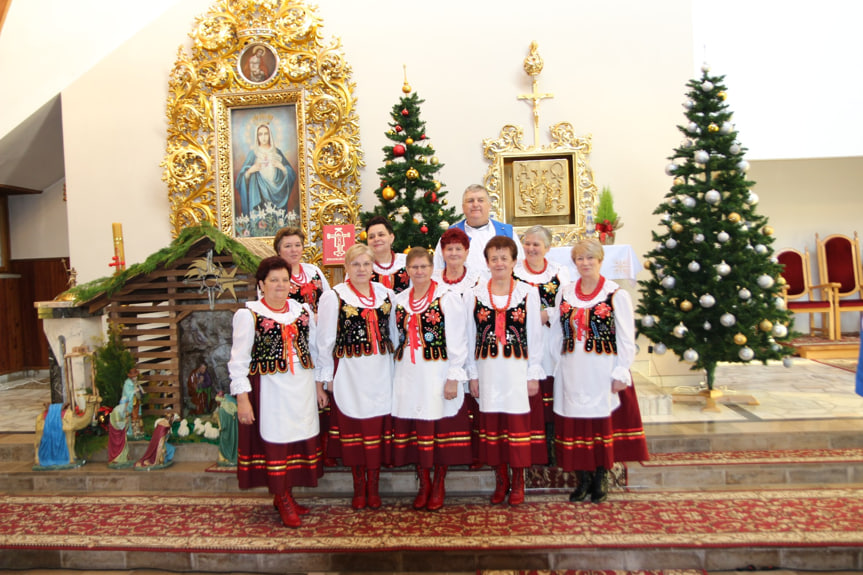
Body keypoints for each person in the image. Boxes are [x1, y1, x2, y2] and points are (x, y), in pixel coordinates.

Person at [227, 256, 326, 528]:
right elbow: (239, 361)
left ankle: (287, 494)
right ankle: (280, 497)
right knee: (277, 442)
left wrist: (319, 385)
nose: (280, 285)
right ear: (261, 284)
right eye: (274, 281)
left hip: (302, 387)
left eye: (285, 280)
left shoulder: (302, 310)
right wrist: (243, 399)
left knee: (297, 439)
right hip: (271, 389)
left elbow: (315, 349)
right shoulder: (249, 314)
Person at [549, 238, 648, 504]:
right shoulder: (566, 292)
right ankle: (582, 480)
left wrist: (621, 371)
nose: (585, 263)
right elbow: (557, 331)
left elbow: (627, 337)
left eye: (590, 258)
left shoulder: (616, 294)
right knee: (577, 423)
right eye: (580, 259)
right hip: (572, 366)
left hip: (601, 367)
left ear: (600, 261)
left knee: (598, 422)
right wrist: (557, 362)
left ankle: (601, 477)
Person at [464, 236, 547, 506]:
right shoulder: (474, 294)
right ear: (487, 262)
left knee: (516, 426)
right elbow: (469, 336)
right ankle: (501, 481)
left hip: (516, 370)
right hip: (488, 370)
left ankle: (519, 481)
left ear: (514, 261)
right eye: (494, 258)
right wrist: (472, 374)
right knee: (494, 427)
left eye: (504, 258)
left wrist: (533, 373)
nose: (499, 263)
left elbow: (535, 335)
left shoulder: (527, 293)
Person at [317, 243, 397, 510]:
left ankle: (373, 485)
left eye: (366, 264)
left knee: (375, 426)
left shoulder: (386, 294)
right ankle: (358, 485)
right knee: (354, 425)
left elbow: (395, 334)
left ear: (373, 266)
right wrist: (325, 377)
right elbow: (325, 340)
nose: (362, 269)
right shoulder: (334, 296)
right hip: (350, 371)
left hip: (381, 369)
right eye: (356, 264)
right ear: (346, 268)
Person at [391, 247, 472, 511]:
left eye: (423, 267)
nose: (418, 272)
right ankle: (423, 482)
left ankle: (439, 483)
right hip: (409, 373)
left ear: (431, 267)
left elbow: (458, 339)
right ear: (407, 270)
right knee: (417, 428)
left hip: (437, 372)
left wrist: (453, 377)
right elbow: (395, 338)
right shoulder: (400, 300)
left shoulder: (446, 297)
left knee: (438, 427)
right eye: (413, 267)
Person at [274, 226, 335, 465]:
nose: (294, 250)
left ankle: (325, 448)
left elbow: (328, 299)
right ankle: (302, 451)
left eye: (297, 245)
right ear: (278, 250)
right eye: (287, 246)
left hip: (320, 339)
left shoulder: (314, 271)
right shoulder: (275, 274)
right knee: (303, 393)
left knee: (323, 388)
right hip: (294, 342)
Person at [513, 225, 571, 465]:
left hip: (550, 338)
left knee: (552, 389)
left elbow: (569, 302)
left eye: (536, 244)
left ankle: (553, 442)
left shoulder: (559, 272)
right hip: (523, 341)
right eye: (527, 243)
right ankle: (536, 447)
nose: (530, 248)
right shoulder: (514, 271)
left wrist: (549, 313)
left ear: (548, 248)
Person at [431, 226, 487, 469]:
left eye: (458, 249)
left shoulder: (478, 280)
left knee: (475, 398)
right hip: (445, 350)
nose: (453, 253)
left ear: (466, 252)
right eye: (449, 249)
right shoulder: (432, 280)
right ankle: (451, 451)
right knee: (452, 401)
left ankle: (476, 453)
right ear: (442, 252)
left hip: (475, 345)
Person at [432, 184, 525, 272]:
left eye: (480, 200)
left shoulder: (507, 234)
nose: (475, 205)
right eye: (470, 201)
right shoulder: (450, 236)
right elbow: (437, 270)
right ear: (463, 208)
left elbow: (520, 269)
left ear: (489, 206)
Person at [235, 123, 297, 222]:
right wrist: (250, 171)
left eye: (266, 134)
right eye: (260, 134)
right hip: (258, 196)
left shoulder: (277, 153)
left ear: (270, 135)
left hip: (277, 197)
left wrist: (282, 167)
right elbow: (239, 182)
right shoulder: (253, 154)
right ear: (257, 137)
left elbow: (292, 175)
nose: (263, 137)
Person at [365, 215, 409, 294]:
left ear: (391, 238)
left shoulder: (407, 261)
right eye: (371, 237)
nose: (376, 239)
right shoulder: (360, 265)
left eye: (381, 235)